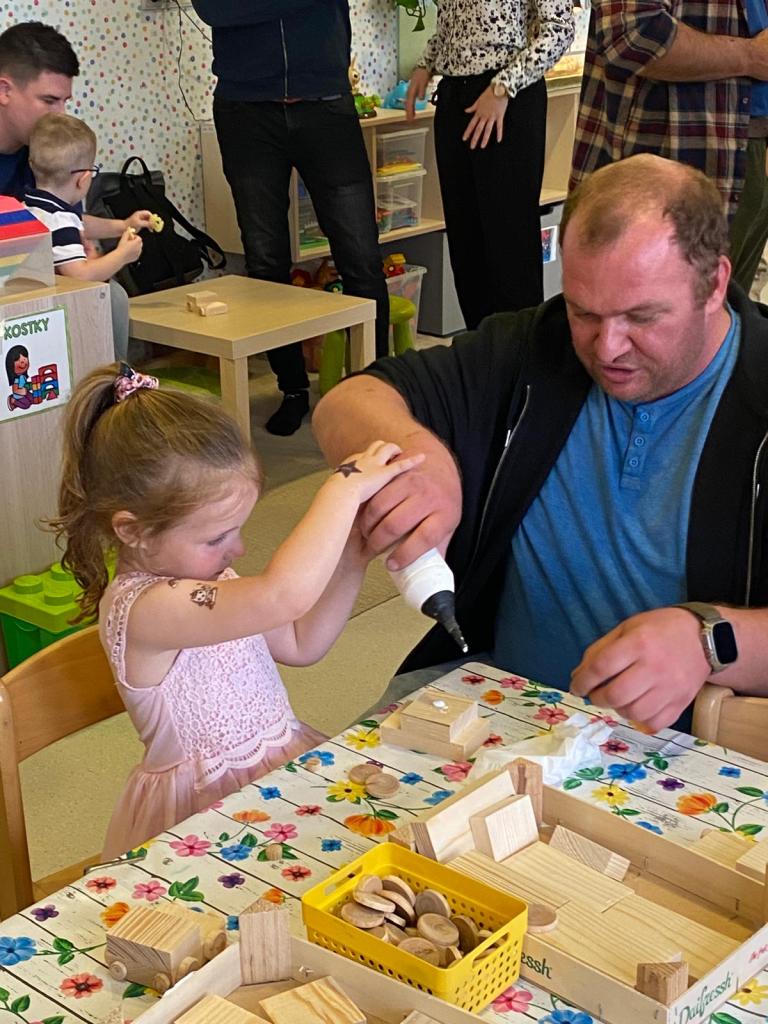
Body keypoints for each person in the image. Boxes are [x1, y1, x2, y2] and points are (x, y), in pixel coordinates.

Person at [314, 154, 768, 735]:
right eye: (586, 312)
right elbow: (345, 404)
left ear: (716, 284)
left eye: (642, 317)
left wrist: (712, 641)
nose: (608, 348)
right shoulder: (537, 346)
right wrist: (417, 457)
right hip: (496, 695)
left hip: (690, 745)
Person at [50, 362, 422, 856]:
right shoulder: (145, 609)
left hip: (274, 775)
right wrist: (343, 487)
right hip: (204, 817)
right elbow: (281, 596)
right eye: (217, 538)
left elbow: (300, 642)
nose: (240, 550)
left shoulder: (209, 581)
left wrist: (354, 555)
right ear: (132, 530)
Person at [191, 0, 389, 437]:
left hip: (326, 104)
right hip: (245, 111)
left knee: (361, 257)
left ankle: (381, 389)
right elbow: (215, 11)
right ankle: (293, 389)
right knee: (265, 263)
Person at [570, 0, 768, 293]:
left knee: (724, 310)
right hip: (669, 160)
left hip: (749, 150)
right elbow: (632, 34)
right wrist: (750, 56)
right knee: (646, 308)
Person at [406, 0, 574, 329]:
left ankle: (520, 354)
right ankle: (482, 350)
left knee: (509, 244)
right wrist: (426, 64)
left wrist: (503, 88)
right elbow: (455, 26)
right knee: (466, 244)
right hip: (455, 98)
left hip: (506, 100)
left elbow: (559, 30)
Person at [0, 21, 152, 362]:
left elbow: (71, 226)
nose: (60, 114)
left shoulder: (50, 152)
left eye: (65, 101)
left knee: (111, 298)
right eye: (49, 100)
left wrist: (100, 245)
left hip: (41, 283)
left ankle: (105, 390)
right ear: (4, 90)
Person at [25, 114, 146, 356]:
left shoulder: (34, 206)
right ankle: (116, 370)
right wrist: (122, 255)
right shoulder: (59, 221)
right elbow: (80, 275)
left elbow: (80, 223)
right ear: (84, 179)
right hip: (62, 313)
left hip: (41, 309)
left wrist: (123, 225)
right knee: (115, 297)